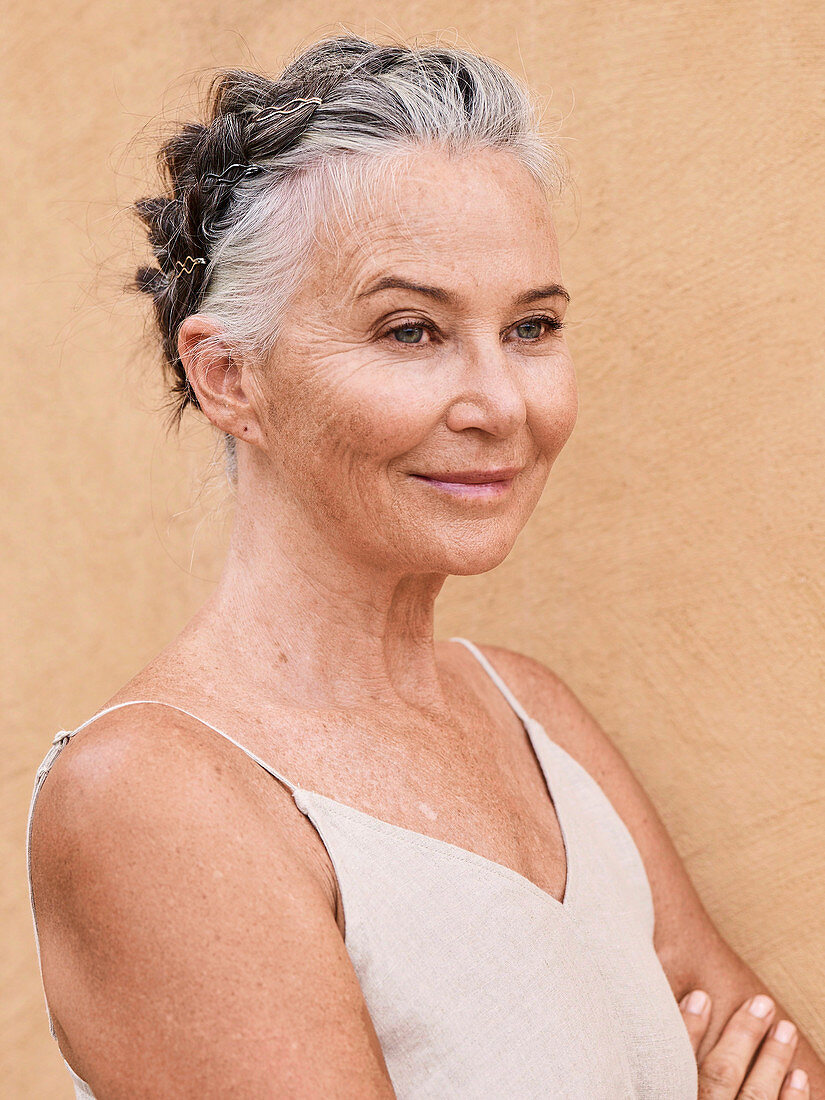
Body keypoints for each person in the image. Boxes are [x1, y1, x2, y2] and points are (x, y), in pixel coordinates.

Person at [26, 32, 822, 1099]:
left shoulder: (532, 711)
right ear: (227, 377)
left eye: (532, 325)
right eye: (411, 331)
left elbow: (783, 1064)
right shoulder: (154, 800)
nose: (501, 403)